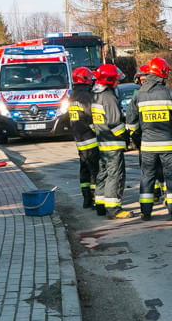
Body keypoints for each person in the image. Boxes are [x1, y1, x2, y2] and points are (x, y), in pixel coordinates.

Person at [125, 56, 172, 220]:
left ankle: (146, 212)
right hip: (169, 145)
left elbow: (131, 125)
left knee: (147, 177)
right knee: (171, 176)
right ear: (161, 73)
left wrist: (141, 134)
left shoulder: (138, 96)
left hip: (147, 146)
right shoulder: (171, 94)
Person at [91, 64, 129, 218]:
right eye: (116, 80)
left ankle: (100, 204)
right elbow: (115, 123)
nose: (118, 83)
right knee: (115, 175)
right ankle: (114, 209)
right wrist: (126, 137)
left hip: (102, 142)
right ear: (110, 80)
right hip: (113, 144)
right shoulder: (109, 97)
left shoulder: (96, 95)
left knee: (103, 174)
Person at [132, 64, 166, 202]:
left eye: (145, 78)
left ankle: (165, 192)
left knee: (161, 168)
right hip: (144, 137)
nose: (143, 81)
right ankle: (155, 192)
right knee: (147, 169)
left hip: (158, 136)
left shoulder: (161, 93)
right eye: (141, 79)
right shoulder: (137, 95)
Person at [69, 67, 100, 209]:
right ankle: (95, 199)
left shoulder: (73, 96)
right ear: (87, 80)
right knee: (95, 170)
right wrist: (100, 132)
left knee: (84, 169)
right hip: (91, 139)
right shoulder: (86, 96)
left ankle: (86, 198)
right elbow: (92, 118)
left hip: (79, 139)